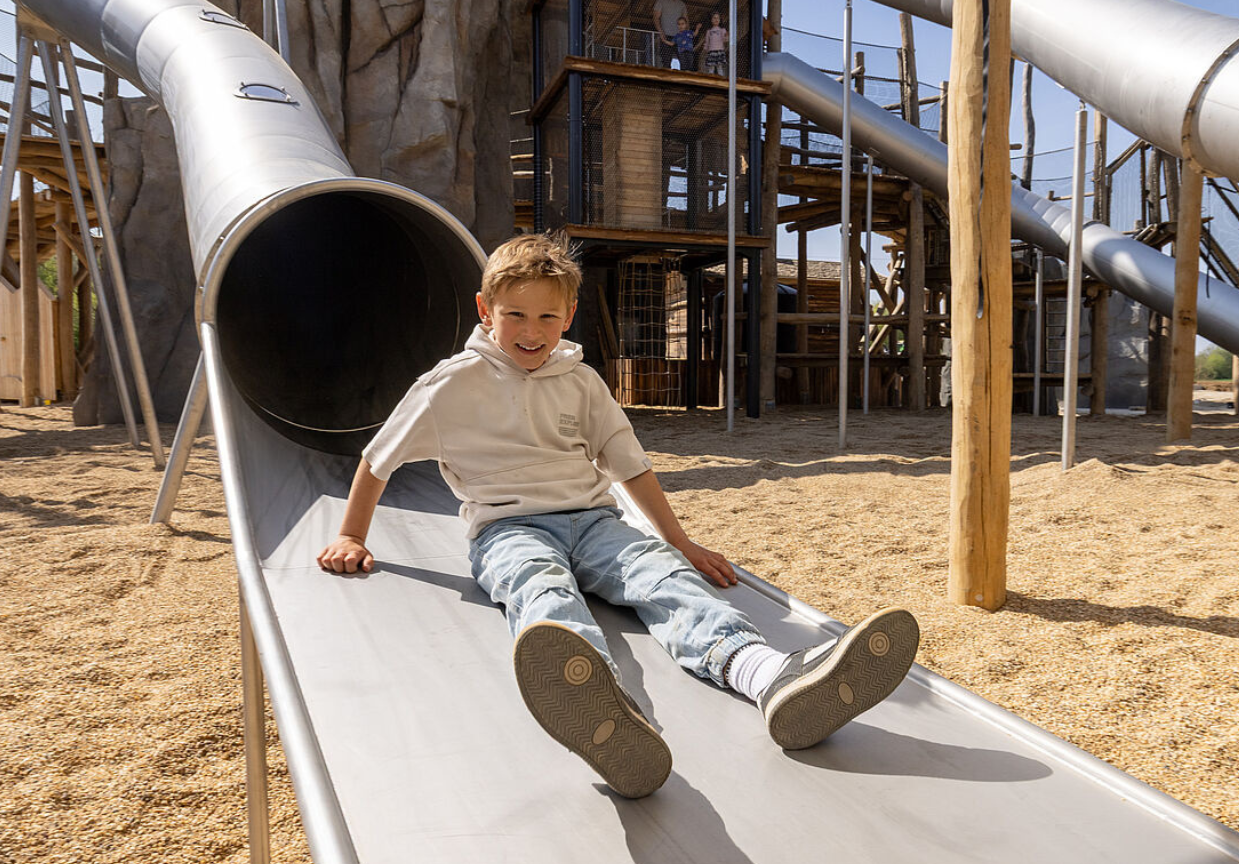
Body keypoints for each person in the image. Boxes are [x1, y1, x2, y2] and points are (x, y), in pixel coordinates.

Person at [317, 233, 919, 799]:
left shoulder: (581, 382)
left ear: (569, 315)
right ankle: (601, 711)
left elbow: (630, 467)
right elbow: (379, 459)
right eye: (516, 316)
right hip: (508, 526)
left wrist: (680, 542)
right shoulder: (449, 385)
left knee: (665, 579)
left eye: (547, 317)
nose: (532, 331)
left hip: (594, 521)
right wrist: (351, 534)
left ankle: (768, 677)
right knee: (540, 589)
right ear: (485, 309)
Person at [651, 0, 687, 69]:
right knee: (666, 61)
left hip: (679, 37)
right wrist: (661, 32)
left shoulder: (681, 4)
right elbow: (656, 17)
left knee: (684, 60)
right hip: (665, 36)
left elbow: (685, 19)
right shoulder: (661, 2)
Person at [702, 11, 730, 77]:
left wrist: (727, 36)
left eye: (718, 18)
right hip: (711, 51)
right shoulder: (709, 31)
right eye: (714, 18)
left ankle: (721, 79)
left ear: (720, 20)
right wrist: (705, 49)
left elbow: (725, 40)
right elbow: (707, 41)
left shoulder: (722, 30)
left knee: (719, 67)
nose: (716, 19)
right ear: (711, 20)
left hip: (719, 51)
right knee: (711, 67)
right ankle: (710, 78)